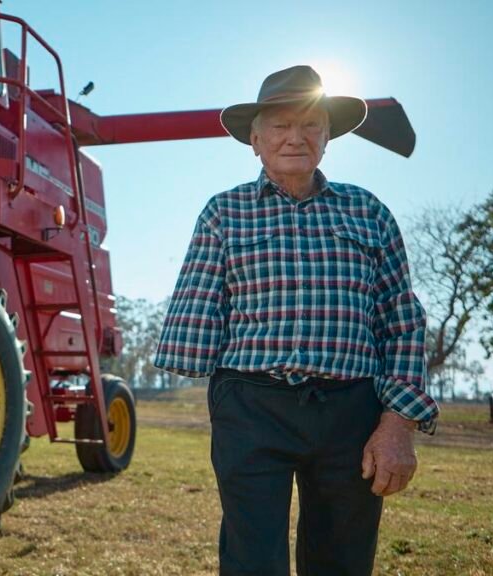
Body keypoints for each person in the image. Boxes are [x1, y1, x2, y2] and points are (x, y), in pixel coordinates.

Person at [153, 65, 439, 576]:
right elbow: (195, 317)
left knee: (342, 561)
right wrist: (211, 387)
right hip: (251, 403)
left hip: (351, 409)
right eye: (281, 126)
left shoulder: (368, 212)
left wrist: (398, 423)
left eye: (310, 125)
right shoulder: (224, 212)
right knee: (251, 560)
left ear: (327, 138)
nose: (296, 137)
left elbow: (402, 319)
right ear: (256, 141)